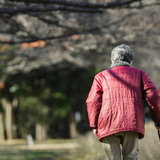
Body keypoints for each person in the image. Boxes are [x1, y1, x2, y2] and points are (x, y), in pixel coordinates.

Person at [86, 44, 160, 160]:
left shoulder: (101, 77)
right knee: (131, 157)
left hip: (108, 123)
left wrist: (94, 124)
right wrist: (158, 119)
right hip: (132, 122)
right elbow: (154, 96)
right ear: (131, 61)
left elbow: (92, 101)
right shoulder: (140, 74)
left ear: (112, 60)